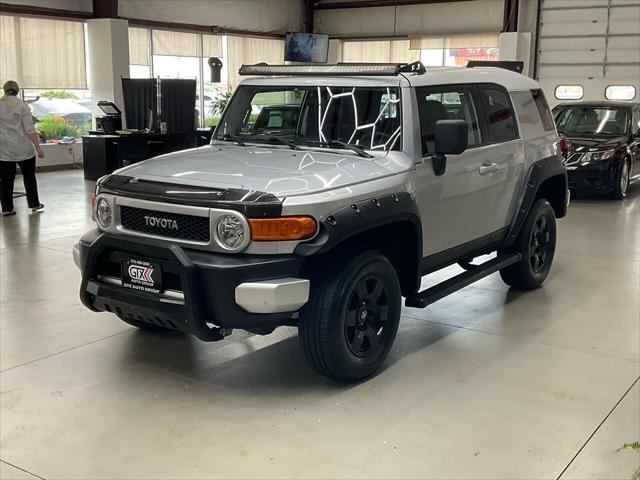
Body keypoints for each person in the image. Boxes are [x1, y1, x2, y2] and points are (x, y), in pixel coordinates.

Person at [0, 80, 45, 216]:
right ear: (18, 91)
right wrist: (38, 148)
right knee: (29, 177)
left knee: (6, 180)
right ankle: (34, 204)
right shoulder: (22, 106)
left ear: (4, 90)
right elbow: (29, 130)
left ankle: (7, 208)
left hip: (3, 150)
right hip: (23, 148)